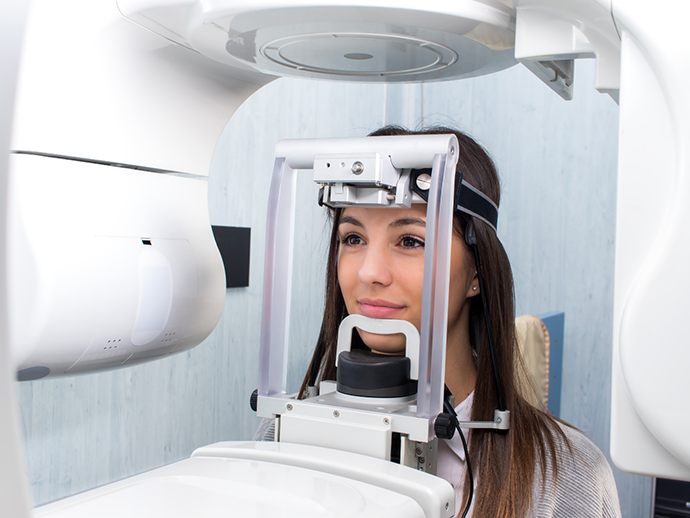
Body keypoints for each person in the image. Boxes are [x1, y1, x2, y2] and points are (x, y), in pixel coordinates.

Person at [257, 125, 621, 518]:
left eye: (411, 241)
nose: (369, 273)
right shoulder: (282, 433)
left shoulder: (568, 476)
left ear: (477, 273)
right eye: (353, 238)